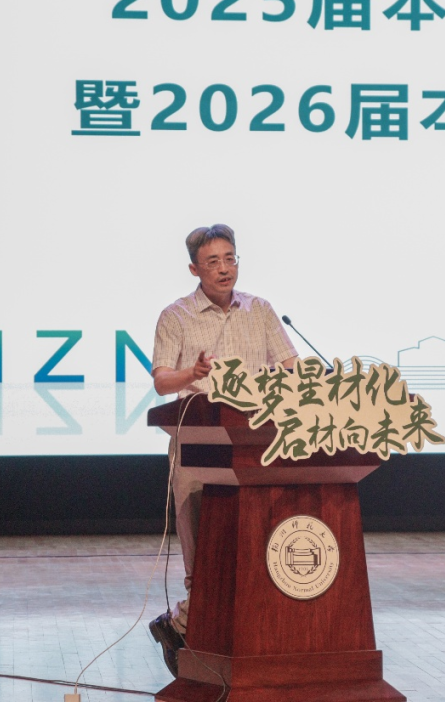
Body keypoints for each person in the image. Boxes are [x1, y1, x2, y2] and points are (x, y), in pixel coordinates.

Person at [148, 224, 297, 677]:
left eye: (230, 259)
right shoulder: (176, 316)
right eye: (213, 262)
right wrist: (191, 373)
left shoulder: (260, 310)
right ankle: (192, 635)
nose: (224, 268)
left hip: (257, 449)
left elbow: (290, 368)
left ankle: (194, 632)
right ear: (194, 269)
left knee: (255, 553)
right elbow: (162, 381)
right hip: (198, 448)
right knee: (204, 560)